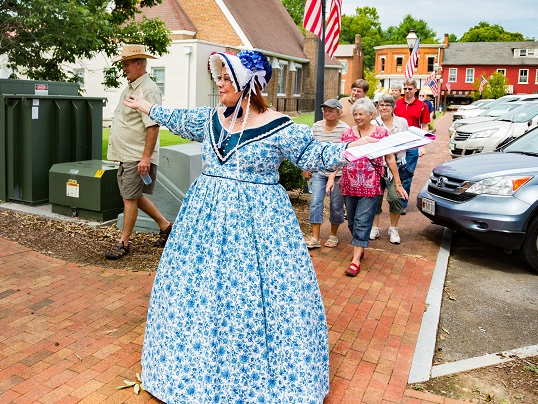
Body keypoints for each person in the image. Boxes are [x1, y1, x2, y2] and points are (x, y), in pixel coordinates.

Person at [121, 50, 378, 402]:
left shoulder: (279, 125)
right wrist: (148, 108)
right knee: (201, 291)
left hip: (260, 226)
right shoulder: (211, 119)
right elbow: (177, 117)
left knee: (253, 294)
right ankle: (191, 372)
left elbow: (314, 155)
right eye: (219, 78)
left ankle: (256, 378)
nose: (219, 84)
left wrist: (355, 148)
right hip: (204, 225)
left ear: (247, 83)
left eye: (226, 79)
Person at [104, 44, 172, 260]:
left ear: (139, 63)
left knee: (129, 199)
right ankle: (166, 226)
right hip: (127, 154)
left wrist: (145, 158)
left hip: (137, 156)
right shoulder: (132, 86)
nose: (124, 68)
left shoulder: (147, 89)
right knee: (133, 195)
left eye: (126, 64)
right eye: (123, 64)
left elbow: (152, 126)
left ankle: (123, 242)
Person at [340, 98, 408, 276]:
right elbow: (341, 158)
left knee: (362, 221)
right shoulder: (347, 133)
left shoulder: (381, 133)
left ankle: (355, 260)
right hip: (349, 184)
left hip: (371, 185)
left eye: (361, 114)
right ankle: (359, 247)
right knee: (352, 222)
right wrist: (333, 177)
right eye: (355, 114)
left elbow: (390, 158)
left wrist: (398, 183)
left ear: (371, 114)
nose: (357, 117)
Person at [304, 98, 348, 249]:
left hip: (338, 174)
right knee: (316, 202)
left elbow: (345, 154)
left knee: (336, 205)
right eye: (325, 110)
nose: (327, 113)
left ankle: (333, 235)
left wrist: (335, 172)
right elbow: (310, 149)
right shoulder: (316, 127)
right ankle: (315, 237)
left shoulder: (345, 129)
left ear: (339, 113)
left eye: (331, 111)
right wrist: (306, 167)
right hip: (319, 172)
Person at [370, 93, 409, 244]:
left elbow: (406, 142)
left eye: (387, 105)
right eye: (381, 105)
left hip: (396, 164)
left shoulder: (402, 122)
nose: (384, 107)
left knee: (395, 197)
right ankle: (375, 227)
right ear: (377, 107)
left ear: (393, 107)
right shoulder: (374, 122)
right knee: (375, 198)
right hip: (377, 165)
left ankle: (394, 228)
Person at [394, 77, 432, 213]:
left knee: (407, 174)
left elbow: (425, 126)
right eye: (405, 89)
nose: (407, 91)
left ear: (416, 90)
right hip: (397, 144)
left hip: (413, 145)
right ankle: (394, 200)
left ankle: (402, 204)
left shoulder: (422, 106)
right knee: (394, 173)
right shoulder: (397, 104)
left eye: (410, 89)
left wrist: (423, 146)